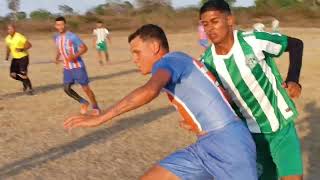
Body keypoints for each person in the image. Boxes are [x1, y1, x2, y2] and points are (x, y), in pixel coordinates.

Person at [64, 24, 257, 180]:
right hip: (205, 146)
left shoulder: (168, 61)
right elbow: (224, 96)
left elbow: (150, 90)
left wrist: (100, 118)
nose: (134, 59)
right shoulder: (179, 60)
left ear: (155, 47)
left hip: (229, 146)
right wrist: (196, 120)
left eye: (137, 52)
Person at [199, 1, 304, 180]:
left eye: (215, 21)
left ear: (230, 20)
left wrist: (293, 79)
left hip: (280, 124)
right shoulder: (207, 62)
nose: (210, 28)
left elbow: (295, 45)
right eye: (205, 24)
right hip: (251, 135)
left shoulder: (254, 41)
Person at [54, 16, 100, 115]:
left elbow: (84, 48)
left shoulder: (72, 36)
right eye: (58, 25)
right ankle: (84, 102)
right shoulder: (56, 37)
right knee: (66, 88)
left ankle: (96, 107)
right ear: (55, 26)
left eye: (62, 24)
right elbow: (59, 48)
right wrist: (57, 57)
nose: (60, 26)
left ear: (65, 25)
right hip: (67, 68)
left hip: (77, 66)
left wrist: (74, 56)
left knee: (86, 89)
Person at [5, 24, 33, 95]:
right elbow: (8, 48)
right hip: (15, 59)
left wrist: (21, 49)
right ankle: (24, 81)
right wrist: (7, 57)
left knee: (23, 74)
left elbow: (29, 45)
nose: (10, 30)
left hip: (23, 57)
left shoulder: (20, 37)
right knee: (12, 75)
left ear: (14, 29)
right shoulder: (7, 38)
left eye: (11, 29)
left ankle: (30, 88)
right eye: (8, 29)